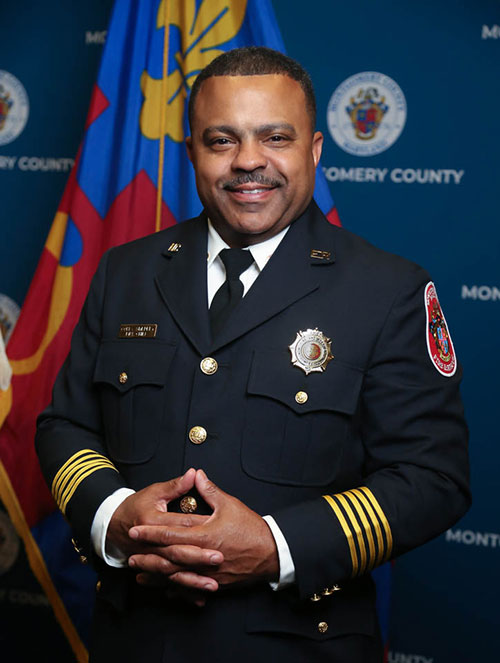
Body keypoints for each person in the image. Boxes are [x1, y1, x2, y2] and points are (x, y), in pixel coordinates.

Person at [36, 47, 470, 663]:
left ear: (314, 150)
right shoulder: (126, 271)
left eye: (275, 137)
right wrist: (114, 517)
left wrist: (274, 544)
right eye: (221, 140)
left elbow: (433, 478)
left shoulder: (387, 291)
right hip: (133, 639)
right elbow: (66, 426)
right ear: (192, 154)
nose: (248, 162)